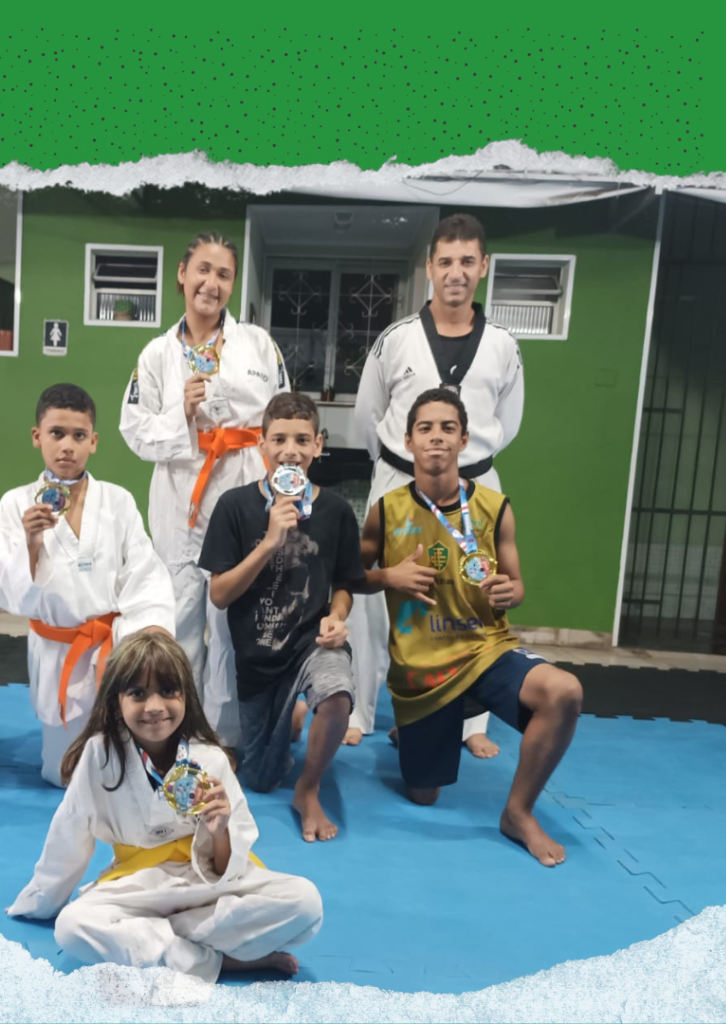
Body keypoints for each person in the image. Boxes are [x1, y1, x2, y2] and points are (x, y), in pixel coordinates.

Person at [7, 631, 322, 983]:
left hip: (205, 885)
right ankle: (223, 962)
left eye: (168, 691)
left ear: (186, 695)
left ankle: (161, 940)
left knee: (305, 903)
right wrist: (43, 899)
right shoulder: (100, 756)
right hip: (138, 889)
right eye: (138, 693)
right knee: (71, 927)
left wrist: (220, 832)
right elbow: (70, 829)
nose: (154, 706)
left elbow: (226, 866)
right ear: (115, 701)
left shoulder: (210, 759)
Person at [356, 388, 582, 867]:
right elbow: (350, 576)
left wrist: (508, 592)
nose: (436, 437)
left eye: (448, 428)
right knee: (424, 796)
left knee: (564, 692)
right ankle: (411, 731)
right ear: (408, 441)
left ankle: (518, 813)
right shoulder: (386, 509)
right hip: (422, 669)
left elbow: (517, 585)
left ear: (464, 440)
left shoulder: (495, 507)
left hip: (486, 651)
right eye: (425, 428)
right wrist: (388, 577)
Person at [348, 212, 525, 753]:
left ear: (484, 266)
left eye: (467, 261)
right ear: (429, 267)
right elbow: (367, 417)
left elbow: (508, 421)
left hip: (473, 485)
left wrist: (464, 462)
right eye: (446, 261)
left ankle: (472, 724)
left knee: (475, 596)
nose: (456, 272)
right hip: (399, 479)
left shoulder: (503, 345)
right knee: (375, 596)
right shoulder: (396, 338)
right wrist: (402, 467)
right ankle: (360, 709)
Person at [119, 231, 289, 746]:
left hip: (244, 487)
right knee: (180, 617)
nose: (211, 283)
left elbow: (282, 417)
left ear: (232, 285)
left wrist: (281, 486)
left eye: (223, 275)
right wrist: (182, 413)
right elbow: (133, 430)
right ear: (182, 274)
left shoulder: (258, 344)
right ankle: (176, 733)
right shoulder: (156, 354)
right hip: (180, 496)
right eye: (203, 270)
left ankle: (226, 739)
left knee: (235, 621)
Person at [0, 383, 176, 787]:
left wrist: (152, 633)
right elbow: (5, 590)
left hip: (112, 651)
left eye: (78, 435)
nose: (67, 446)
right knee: (63, 775)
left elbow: (145, 573)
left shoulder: (118, 501)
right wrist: (31, 543)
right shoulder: (16, 503)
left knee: (123, 774)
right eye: (56, 433)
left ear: (94, 441)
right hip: (56, 651)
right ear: (37, 436)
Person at [198, 392, 363, 843]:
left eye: (302, 440)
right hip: (258, 658)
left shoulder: (336, 511)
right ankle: (292, 714)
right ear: (261, 445)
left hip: (312, 644)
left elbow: (345, 583)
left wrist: (337, 615)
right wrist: (270, 541)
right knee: (260, 780)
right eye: (279, 439)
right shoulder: (234, 506)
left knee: (336, 694)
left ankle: (308, 790)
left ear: (318, 445)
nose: (291, 450)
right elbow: (219, 595)